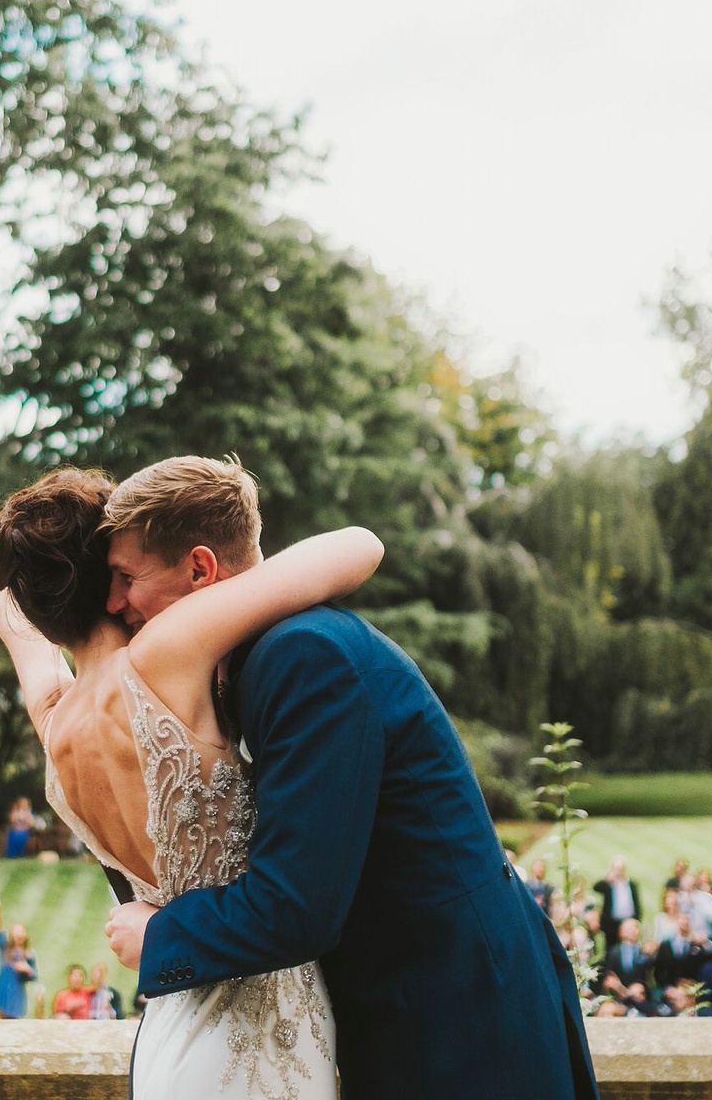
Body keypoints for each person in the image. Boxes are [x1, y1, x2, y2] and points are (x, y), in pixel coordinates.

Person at [103, 458, 598, 1099]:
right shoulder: (264, 654)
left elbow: (297, 905)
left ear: (200, 569)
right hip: (411, 1000)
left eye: (125, 577)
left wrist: (160, 936)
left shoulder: (303, 658)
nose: (115, 603)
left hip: (459, 1018)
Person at [0, 465, 379, 1097]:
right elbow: (356, 550)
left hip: (170, 1030)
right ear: (108, 573)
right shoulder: (169, 652)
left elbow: (17, 626)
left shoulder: (54, 714)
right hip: (267, 1017)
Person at [598, 918, 653, 1016]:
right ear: (621, 931)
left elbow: (650, 977)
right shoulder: (613, 953)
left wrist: (640, 987)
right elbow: (608, 976)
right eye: (628, 928)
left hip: (640, 999)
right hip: (618, 998)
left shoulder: (644, 952)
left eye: (635, 928)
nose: (632, 931)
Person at [0, 911, 38, 1020]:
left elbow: (34, 975)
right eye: (16, 932)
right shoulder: (5, 948)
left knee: (15, 1019)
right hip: (4, 988)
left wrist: (27, 969)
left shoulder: (29, 954)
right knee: (3, 1020)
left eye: (21, 933)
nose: (19, 936)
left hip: (17, 992)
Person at [597, 858, 641, 949]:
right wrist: (607, 879)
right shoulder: (609, 884)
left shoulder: (631, 884)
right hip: (612, 923)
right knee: (611, 948)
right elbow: (596, 887)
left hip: (628, 921)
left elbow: (636, 903)